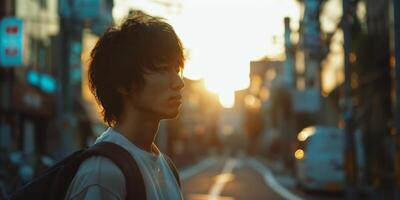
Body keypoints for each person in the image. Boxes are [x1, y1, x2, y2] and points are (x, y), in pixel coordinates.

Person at [64, 12, 185, 200]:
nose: (179, 83)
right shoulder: (103, 173)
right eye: (162, 69)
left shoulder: (167, 167)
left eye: (177, 70)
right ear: (122, 83)